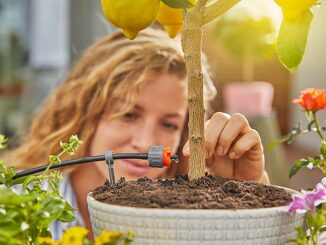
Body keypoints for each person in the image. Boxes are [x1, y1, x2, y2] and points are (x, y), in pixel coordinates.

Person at [4, 29, 269, 239]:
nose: (144, 142)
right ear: (85, 112)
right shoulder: (12, 204)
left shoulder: (184, 224)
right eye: (128, 114)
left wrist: (245, 196)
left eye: (169, 125)